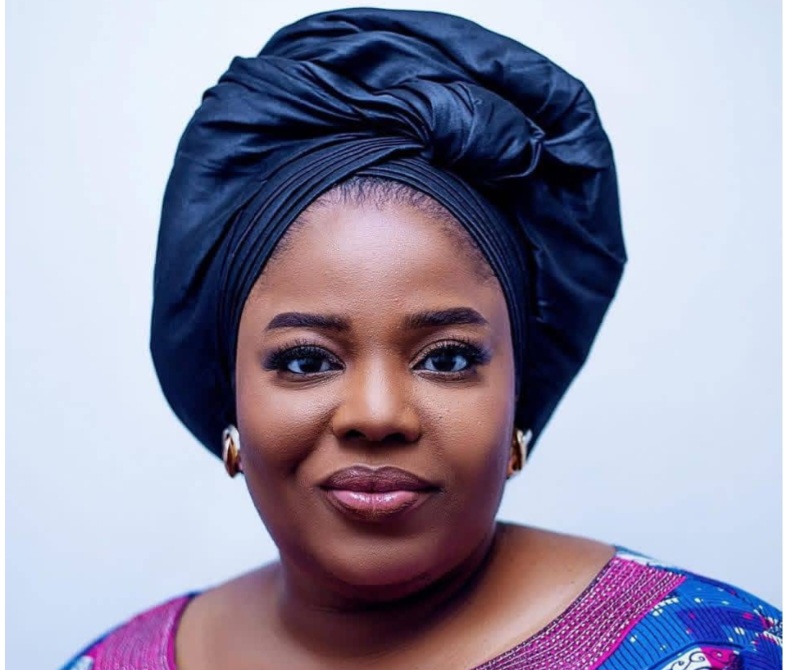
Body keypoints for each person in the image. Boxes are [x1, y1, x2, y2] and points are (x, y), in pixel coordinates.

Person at [58, 8, 781, 670]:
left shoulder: (714, 651)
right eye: (305, 361)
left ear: (518, 399)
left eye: (448, 358)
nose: (377, 415)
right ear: (232, 402)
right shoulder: (114, 663)